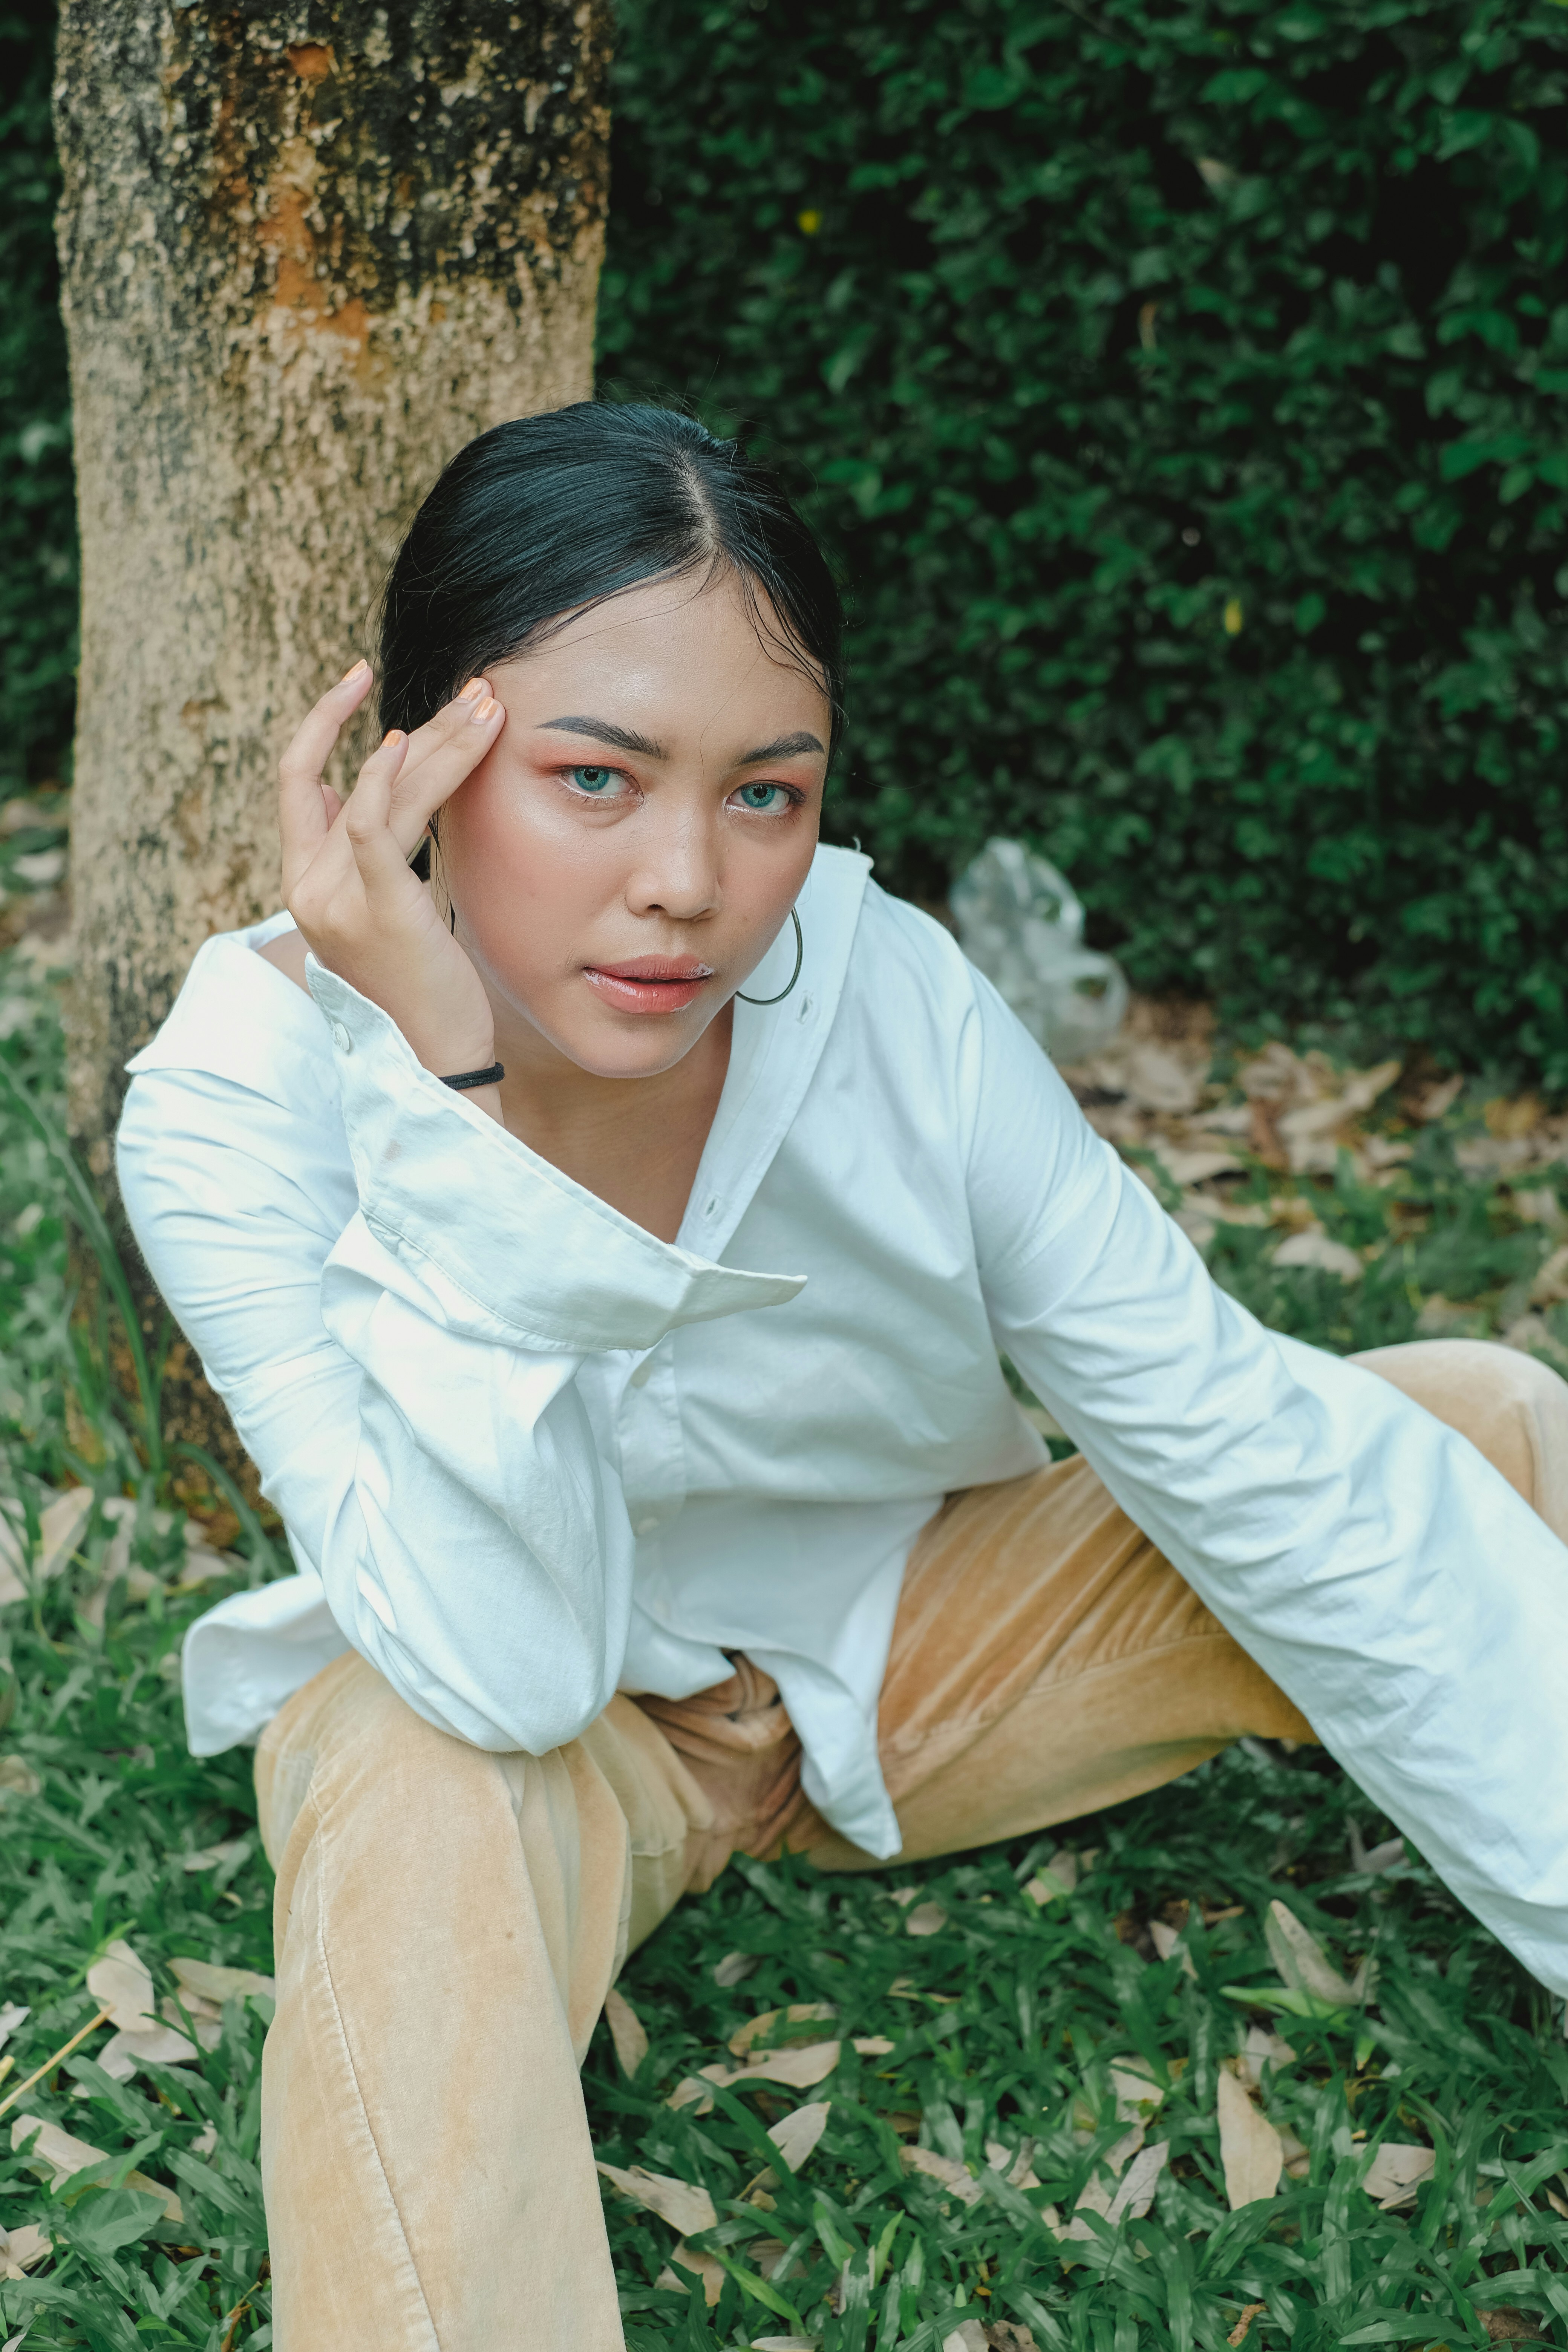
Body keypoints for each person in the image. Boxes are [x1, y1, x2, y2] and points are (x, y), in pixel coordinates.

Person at [117, 401, 1568, 2352]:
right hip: (545, 1723)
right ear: (426, 764)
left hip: (918, 1643)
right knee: (402, 1759)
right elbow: (505, 1667)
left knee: (1461, 1418)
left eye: (765, 794)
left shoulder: (882, 991)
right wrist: (457, 1101)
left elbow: (1226, 1426)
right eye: (596, 779)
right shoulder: (231, 1101)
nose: (689, 883)